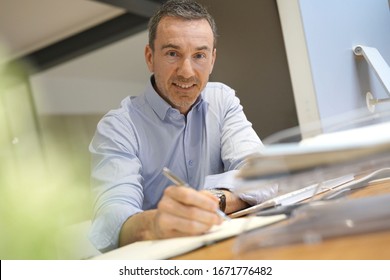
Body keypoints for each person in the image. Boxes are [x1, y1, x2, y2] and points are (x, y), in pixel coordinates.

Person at [89, 0, 275, 253]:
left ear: (212, 60)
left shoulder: (223, 100)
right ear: (150, 57)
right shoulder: (118, 128)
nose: (186, 72)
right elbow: (112, 219)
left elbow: (263, 174)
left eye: (199, 55)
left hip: (229, 250)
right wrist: (157, 223)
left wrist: (214, 201)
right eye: (172, 54)